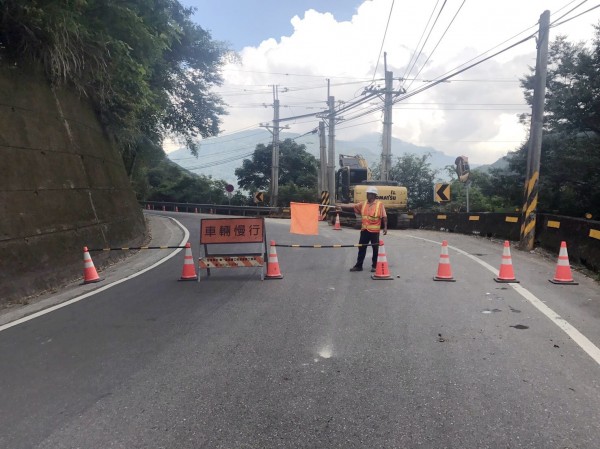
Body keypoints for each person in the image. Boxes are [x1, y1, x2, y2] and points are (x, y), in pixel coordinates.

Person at [349, 186, 387, 272]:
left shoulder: (379, 205)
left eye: (368, 194)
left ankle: (374, 266)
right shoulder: (363, 203)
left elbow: (384, 217)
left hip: (374, 232)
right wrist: (340, 206)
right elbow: (353, 207)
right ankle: (359, 266)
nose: (367, 195)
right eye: (367, 193)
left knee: (375, 248)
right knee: (361, 247)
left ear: (373, 195)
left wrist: (385, 227)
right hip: (364, 230)